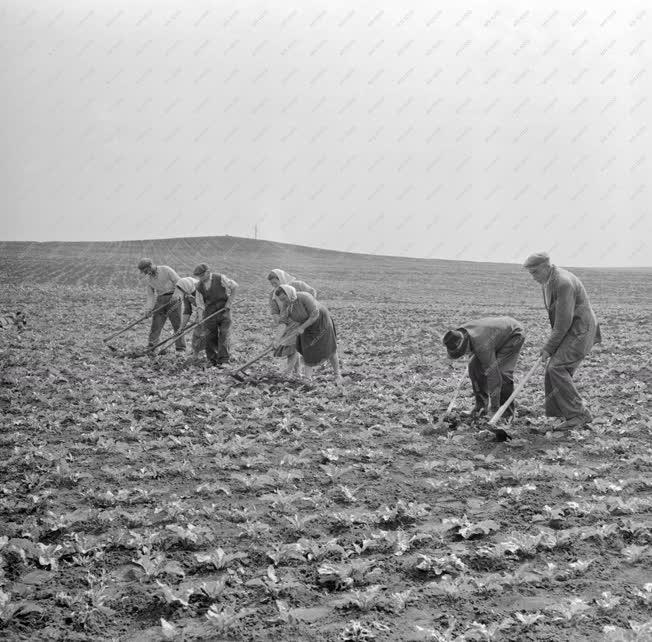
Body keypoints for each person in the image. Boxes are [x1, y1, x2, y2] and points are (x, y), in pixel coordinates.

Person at [523, 252, 601, 429]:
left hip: (580, 330)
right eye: (530, 273)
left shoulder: (563, 282)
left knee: (556, 367)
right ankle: (565, 414)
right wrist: (551, 347)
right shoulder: (549, 280)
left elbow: (563, 322)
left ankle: (578, 415)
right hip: (571, 331)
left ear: (546, 267)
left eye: (535, 272)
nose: (533, 277)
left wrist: (549, 348)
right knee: (554, 370)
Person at [442, 317, 525, 420]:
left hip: (513, 335)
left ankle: (505, 414)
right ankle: (480, 408)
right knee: (473, 367)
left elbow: (493, 375)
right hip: (493, 335)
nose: (464, 354)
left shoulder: (482, 345)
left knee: (502, 373)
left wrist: (494, 408)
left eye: (463, 352)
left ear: (466, 345)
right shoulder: (458, 334)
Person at [272, 285, 343, 390]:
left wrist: (302, 327)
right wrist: (277, 339)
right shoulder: (286, 306)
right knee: (307, 349)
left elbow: (315, 314)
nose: (284, 301)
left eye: (284, 298)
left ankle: (337, 374)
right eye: (281, 300)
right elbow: (283, 323)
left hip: (321, 322)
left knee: (329, 347)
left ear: (289, 293)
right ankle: (308, 378)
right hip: (306, 325)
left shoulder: (304, 297)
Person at [267, 269, 317, 374]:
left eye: (275, 283)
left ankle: (288, 372)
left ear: (281, 278)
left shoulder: (297, 285)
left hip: (301, 321)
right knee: (292, 348)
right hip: (286, 323)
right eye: (272, 284)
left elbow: (312, 292)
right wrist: (278, 322)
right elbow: (275, 310)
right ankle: (297, 373)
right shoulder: (273, 294)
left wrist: (307, 310)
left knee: (293, 346)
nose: (274, 286)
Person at [193, 263, 238, 366]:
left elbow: (235, 287)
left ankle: (224, 360)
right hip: (209, 313)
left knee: (224, 334)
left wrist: (229, 303)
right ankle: (212, 360)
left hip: (224, 311)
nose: (200, 278)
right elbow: (199, 304)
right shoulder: (199, 286)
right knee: (209, 336)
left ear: (208, 272)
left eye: (201, 275)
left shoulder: (220, 278)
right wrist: (200, 317)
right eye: (198, 276)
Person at [137, 258, 185, 354]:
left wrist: (177, 294)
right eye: (144, 272)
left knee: (177, 324)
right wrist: (148, 309)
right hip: (160, 300)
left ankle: (180, 349)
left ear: (150, 266)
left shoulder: (166, 270)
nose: (146, 273)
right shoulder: (149, 279)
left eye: (146, 271)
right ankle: (152, 348)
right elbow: (150, 295)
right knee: (156, 324)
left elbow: (179, 282)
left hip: (173, 298)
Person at [171, 276, 205, 356]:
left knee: (206, 332)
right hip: (201, 312)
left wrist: (200, 316)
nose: (182, 292)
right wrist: (181, 328)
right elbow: (187, 311)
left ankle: (205, 352)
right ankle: (196, 352)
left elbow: (207, 304)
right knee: (197, 332)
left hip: (211, 311)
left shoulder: (202, 289)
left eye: (182, 290)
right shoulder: (187, 293)